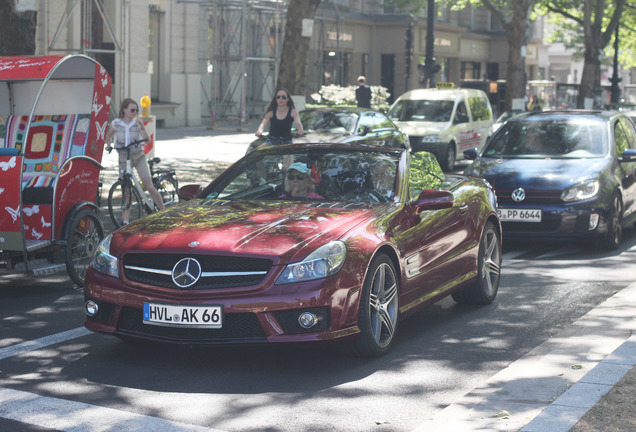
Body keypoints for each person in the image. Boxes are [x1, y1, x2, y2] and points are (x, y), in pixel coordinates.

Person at [106, 98, 164, 224]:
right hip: (123, 157)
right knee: (125, 188)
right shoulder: (115, 123)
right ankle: (125, 220)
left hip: (138, 156)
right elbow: (108, 136)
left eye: (136, 110)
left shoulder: (137, 123)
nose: (135, 112)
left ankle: (163, 211)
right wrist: (108, 145)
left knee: (148, 186)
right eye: (132, 110)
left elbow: (147, 140)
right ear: (124, 110)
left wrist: (142, 126)